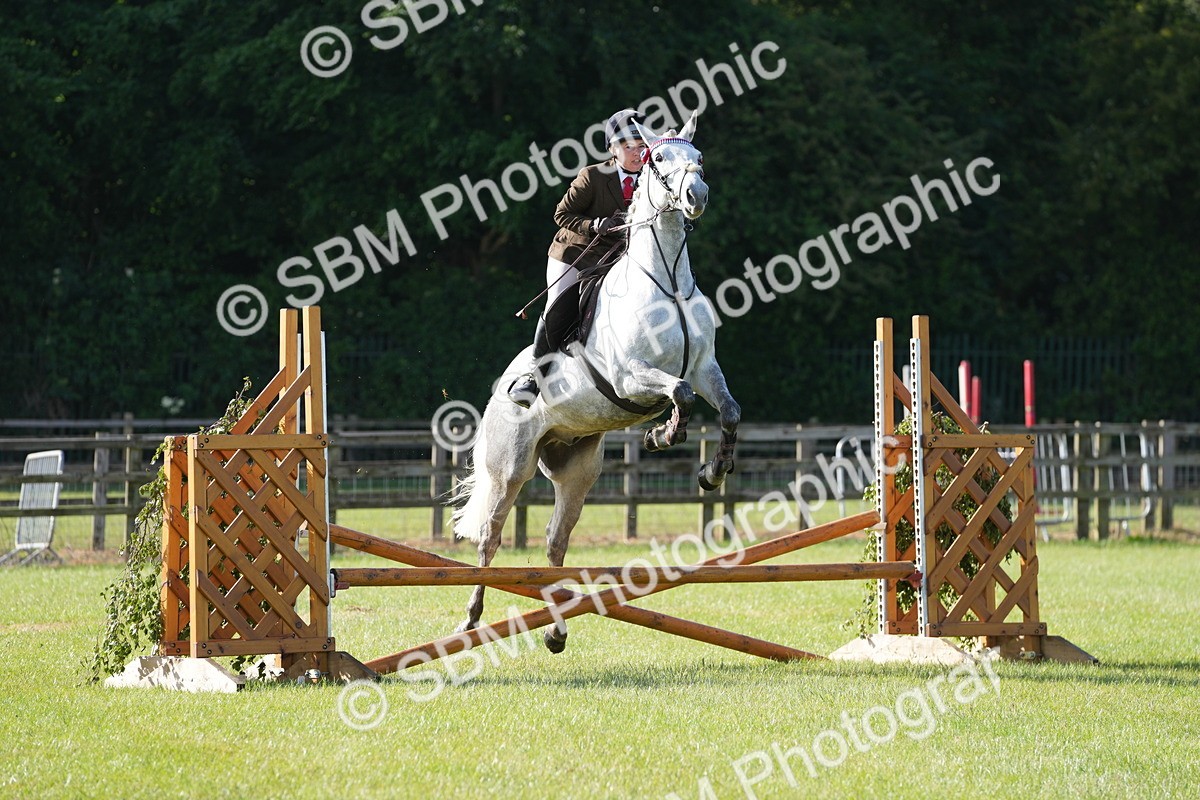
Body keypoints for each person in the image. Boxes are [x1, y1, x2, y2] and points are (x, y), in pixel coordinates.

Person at [508, 108, 646, 407]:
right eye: (628, 146)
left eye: (641, 145)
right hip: (576, 253)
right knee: (560, 304)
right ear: (612, 148)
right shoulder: (594, 176)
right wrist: (595, 225)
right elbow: (561, 214)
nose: (637, 152)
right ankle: (533, 376)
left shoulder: (652, 178)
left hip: (618, 259)